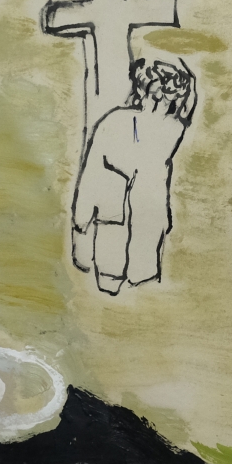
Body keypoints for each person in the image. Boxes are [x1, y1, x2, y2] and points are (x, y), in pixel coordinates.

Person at [70, 58, 196, 293]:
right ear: (142, 92)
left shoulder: (172, 129)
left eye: (166, 99)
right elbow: (91, 171)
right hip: (113, 216)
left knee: (141, 282)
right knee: (109, 281)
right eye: (155, 96)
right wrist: (81, 217)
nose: (159, 104)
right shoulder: (115, 121)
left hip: (147, 221)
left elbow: (187, 111)